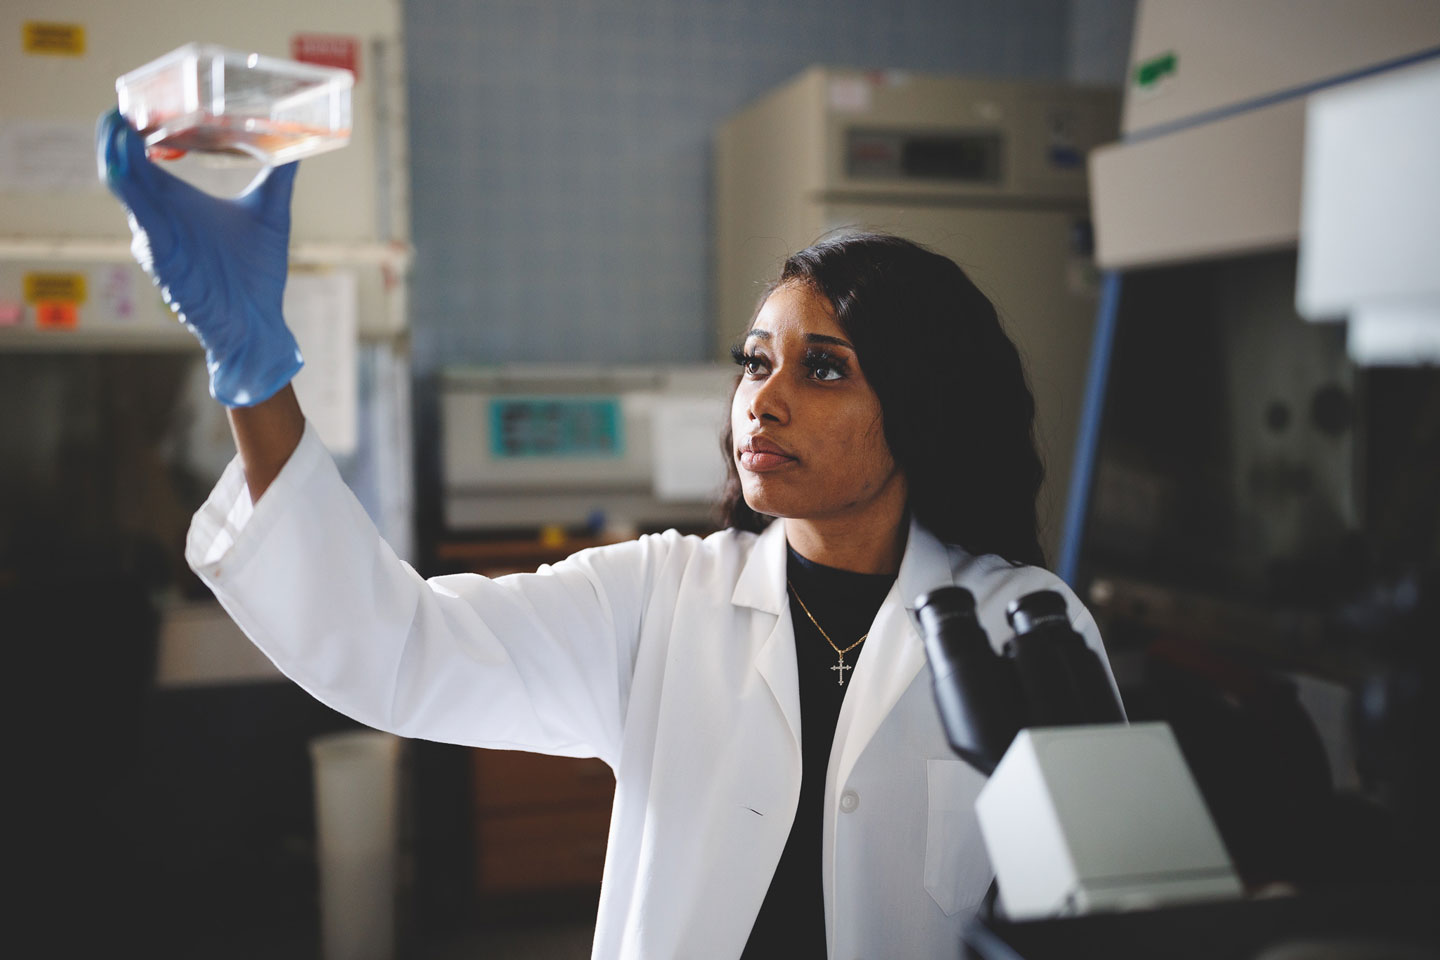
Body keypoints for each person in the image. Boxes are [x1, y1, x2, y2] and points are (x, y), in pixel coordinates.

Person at [98, 109, 1121, 959]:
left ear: (926, 406)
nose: (761, 401)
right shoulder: (662, 600)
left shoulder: (1021, 623)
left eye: (822, 368)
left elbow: (1108, 906)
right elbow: (393, 645)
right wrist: (253, 371)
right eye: (754, 360)